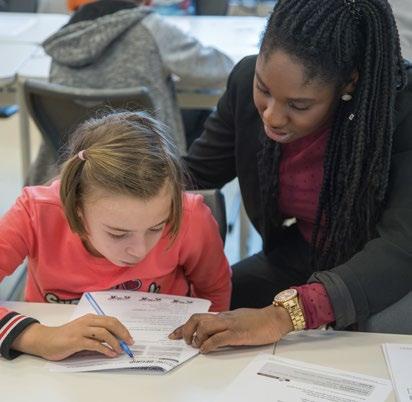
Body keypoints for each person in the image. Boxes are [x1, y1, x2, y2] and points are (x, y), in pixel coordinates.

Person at [169, 0, 412, 353]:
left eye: (298, 106)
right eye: (263, 89)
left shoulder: (401, 114)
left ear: (350, 83)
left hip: (384, 273)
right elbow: (195, 174)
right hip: (302, 255)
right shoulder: (242, 81)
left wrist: (282, 316)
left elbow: (400, 248)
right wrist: (107, 178)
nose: (272, 117)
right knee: (210, 314)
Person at [0, 111, 231, 360]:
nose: (140, 250)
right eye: (118, 234)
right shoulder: (35, 213)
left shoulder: (190, 217)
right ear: (77, 209)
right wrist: (40, 338)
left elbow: (215, 292)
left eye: (156, 228)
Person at [27, 0, 233, 185]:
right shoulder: (152, 28)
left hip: (75, 168)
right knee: (203, 115)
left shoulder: (65, 37)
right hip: (147, 165)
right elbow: (219, 70)